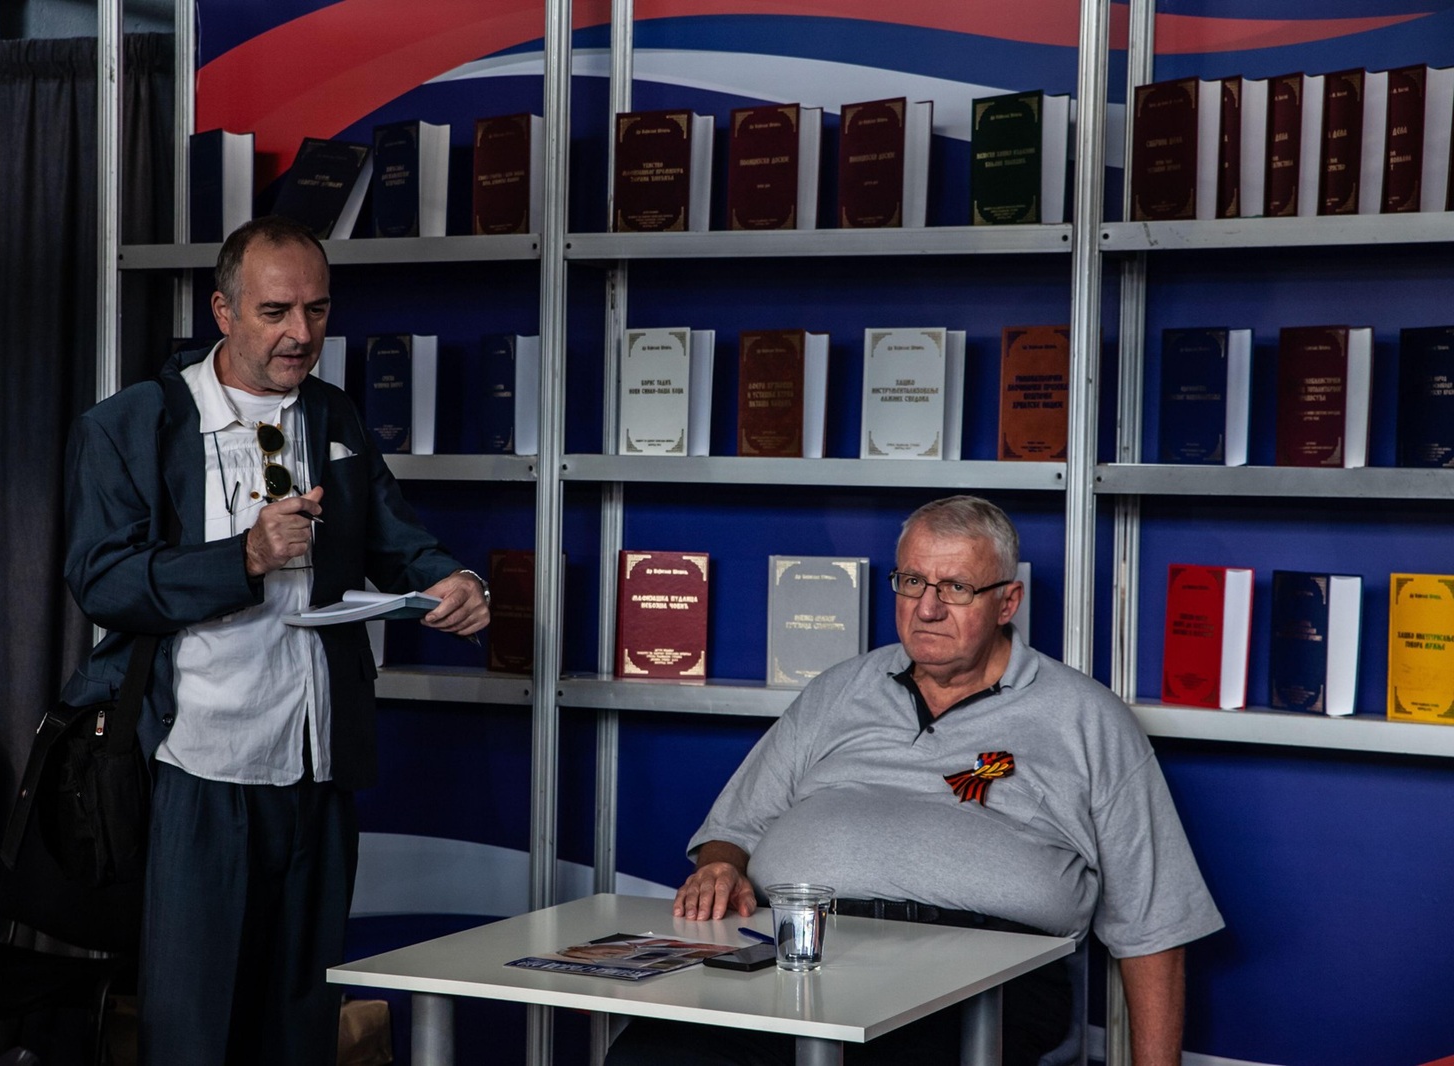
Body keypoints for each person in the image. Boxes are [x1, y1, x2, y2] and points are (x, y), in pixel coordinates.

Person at [60, 215, 490, 1066]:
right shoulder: (131, 425)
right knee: (196, 1025)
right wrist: (244, 557)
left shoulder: (334, 412)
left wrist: (456, 578)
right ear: (222, 311)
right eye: (276, 312)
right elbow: (101, 580)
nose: (302, 333)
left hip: (319, 762)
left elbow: (398, 535)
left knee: (301, 1021)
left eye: (319, 311)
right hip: (199, 765)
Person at [608, 495, 1223, 1066]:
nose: (926, 608)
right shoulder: (838, 691)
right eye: (911, 582)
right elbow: (732, 829)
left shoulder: (1087, 719)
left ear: (1008, 602)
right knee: (650, 1051)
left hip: (984, 977)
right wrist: (718, 865)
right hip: (805, 955)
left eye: (956, 588)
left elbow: (1155, 926)